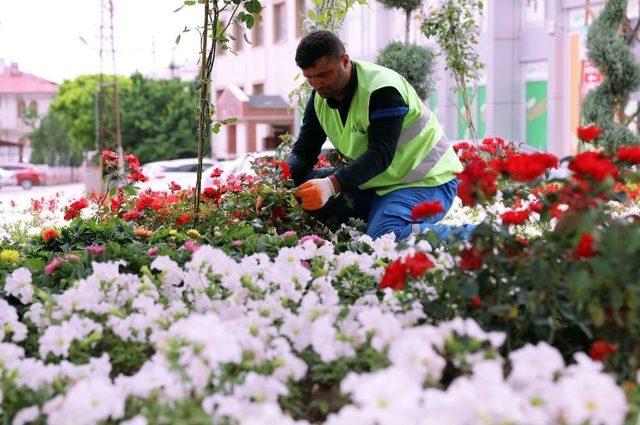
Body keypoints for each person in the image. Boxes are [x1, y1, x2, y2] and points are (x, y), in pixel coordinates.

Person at [286, 30, 466, 241]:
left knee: (384, 238)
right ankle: (373, 225)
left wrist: (331, 185)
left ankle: (473, 236)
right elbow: (303, 152)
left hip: (428, 182)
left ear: (345, 61)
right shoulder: (319, 98)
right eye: (310, 78)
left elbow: (380, 154)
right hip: (379, 183)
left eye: (324, 75)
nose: (317, 85)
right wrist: (276, 185)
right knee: (299, 191)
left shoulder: (382, 90)